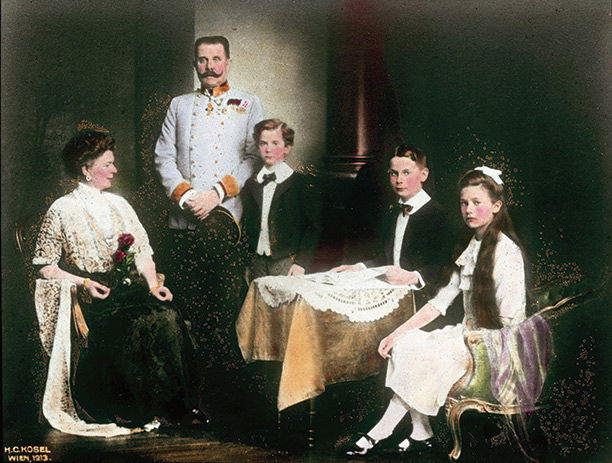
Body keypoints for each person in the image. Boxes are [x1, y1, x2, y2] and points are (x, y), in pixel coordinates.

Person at [341, 166, 527, 457]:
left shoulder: (507, 252)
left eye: (477, 202)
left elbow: (510, 321)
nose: (469, 209)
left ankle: (380, 431)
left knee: (428, 355)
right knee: (405, 345)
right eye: (464, 202)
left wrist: (474, 341)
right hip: (465, 334)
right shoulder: (470, 246)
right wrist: (396, 333)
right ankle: (421, 432)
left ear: (496, 206)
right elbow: (440, 302)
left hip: (492, 344)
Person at [32, 127, 199, 437]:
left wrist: (152, 284)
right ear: (85, 169)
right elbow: (45, 267)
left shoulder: (119, 204)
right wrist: (83, 283)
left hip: (125, 287)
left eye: (113, 163)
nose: (115, 169)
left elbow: (142, 251)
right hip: (93, 296)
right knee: (135, 323)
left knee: (168, 312)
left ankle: (176, 408)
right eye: (107, 164)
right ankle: (132, 409)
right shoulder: (62, 209)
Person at [153, 35, 264, 412]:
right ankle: (194, 400)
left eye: (217, 59)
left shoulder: (249, 103)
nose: (210, 66)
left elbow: (253, 158)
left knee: (225, 312)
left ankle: (228, 400)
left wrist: (216, 193)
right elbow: (163, 157)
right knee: (191, 311)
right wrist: (186, 196)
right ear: (195, 64)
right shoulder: (179, 105)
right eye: (203, 60)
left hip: (227, 223)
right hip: (184, 224)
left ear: (228, 61)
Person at [333, 145, 453, 306]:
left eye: (406, 173)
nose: (399, 180)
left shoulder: (439, 215)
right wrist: (360, 267)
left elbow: (443, 266)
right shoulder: (392, 212)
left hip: (424, 298)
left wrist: (413, 277)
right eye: (393, 173)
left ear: (423, 175)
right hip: (393, 294)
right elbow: (386, 258)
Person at [242, 119, 321, 281]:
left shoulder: (300, 183)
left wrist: (301, 263)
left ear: (287, 148)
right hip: (257, 260)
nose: (268, 149)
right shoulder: (252, 183)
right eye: (263, 143)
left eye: (275, 143)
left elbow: (313, 227)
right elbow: (247, 224)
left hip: (287, 259)